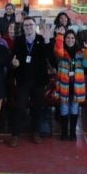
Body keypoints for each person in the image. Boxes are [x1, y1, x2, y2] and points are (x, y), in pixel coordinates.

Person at [8, 17, 53, 147]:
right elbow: (13, 57)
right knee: (20, 107)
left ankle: (36, 132)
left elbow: (48, 56)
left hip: (38, 80)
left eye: (31, 25)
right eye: (26, 25)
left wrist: (47, 40)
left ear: (35, 26)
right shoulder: (19, 40)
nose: (28, 27)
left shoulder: (41, 39)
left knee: (37, 108)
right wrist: (14, 64)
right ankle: (15, 135)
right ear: (23, 27)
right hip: (23, 80)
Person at [54, 29, 87, 140]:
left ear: (75, 39)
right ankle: (64, 132)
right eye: (67, 38)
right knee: (64, 108)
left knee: (74, 109)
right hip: (64, 85)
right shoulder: (61, 51)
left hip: (77, 86)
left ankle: (72, 132)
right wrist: (59, 36)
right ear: (64, 39)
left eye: (72, 38)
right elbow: (57, 51)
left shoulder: (81, 52)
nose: (70, 40)